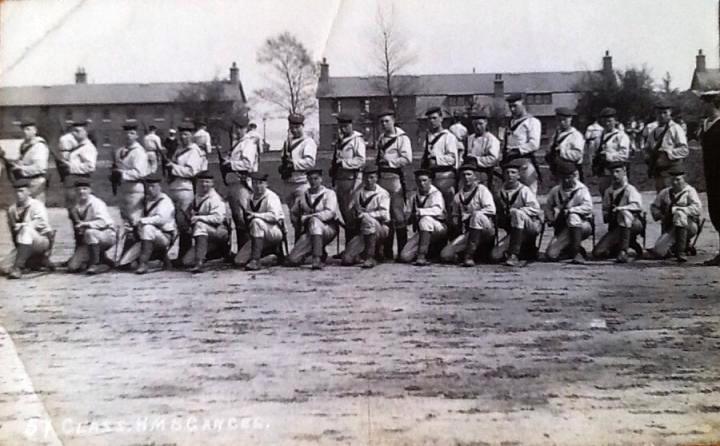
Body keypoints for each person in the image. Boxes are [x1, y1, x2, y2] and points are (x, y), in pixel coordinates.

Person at [116, 174, 176, 274]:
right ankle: (162, 257)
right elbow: (136, 214)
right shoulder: (144, 200)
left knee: (147, 228)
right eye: (147, 186)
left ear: (159, 187)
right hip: (145, 236)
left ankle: (143, 264)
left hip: (164, 236)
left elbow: (161, 219)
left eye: (153, 186)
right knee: (123, 262)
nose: (150, 189)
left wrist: (142, 221)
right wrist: (131, 220)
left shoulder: (165, 201)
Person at [440, 162, 496, 266]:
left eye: (469, 174)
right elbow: (455, 217)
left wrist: (471, 216)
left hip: (486, 228)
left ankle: (468, 256)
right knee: (445, 255)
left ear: (475, 176)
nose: (466, 177)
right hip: (469, 232)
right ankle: (463, 253)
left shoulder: (482, 190)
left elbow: (491, 209)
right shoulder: (458, 196)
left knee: (476, 216)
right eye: (464, 175)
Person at [490, 158, 543, 267]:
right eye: (507, 173)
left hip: (530, 225)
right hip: (514, 229)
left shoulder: (524, 190)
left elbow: (535, 208)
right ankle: (523, 249)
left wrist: (519, 211)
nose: (510, 175)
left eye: (513, 173)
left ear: (518, 176)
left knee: (517, 214)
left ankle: (514, 254)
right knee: (495, 255)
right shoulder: (500, 192)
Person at [164, 123, 205, 263]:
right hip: (175, 187)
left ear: (192, 135)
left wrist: (173, 167)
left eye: (186, 134)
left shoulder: (194, 151)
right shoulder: (179, 149)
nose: (183, 137)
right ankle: (182, 256)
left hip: (186, 188)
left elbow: (191, 171)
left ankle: (187, 256)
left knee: (185, 223)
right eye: (181, 134)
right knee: (178, 223)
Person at [375, 109, 412, 259]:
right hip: (382, 178)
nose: (384, 124)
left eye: (387, 121)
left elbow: (407, 158)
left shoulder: (402, 138)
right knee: (386, 214)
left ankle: (403, 249)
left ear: (393, 121)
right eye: (382, 122)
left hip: (395, 178)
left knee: (398, 214)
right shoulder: (381, 138)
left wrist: (390, 162)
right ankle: (387, 251)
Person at [286, 169, 340, 270]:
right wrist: (297, 223)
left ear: (321, 179)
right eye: (310, 179)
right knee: (293, 259)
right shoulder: (304, 195)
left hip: (327, 228)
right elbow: (294, 212)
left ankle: (317, 258)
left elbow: (330, 213)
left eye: (316, 179)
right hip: (310, 232)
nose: (313, 181)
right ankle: (316, 252)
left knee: (315, 222)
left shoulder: (329, 193)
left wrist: (310, 217)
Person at [0, 179, 54, 279]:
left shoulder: (37, 205)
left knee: (26, 230)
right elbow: (14, 233)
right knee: (3, 268)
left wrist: (23, 225)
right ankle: (35, 262)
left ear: (29, 191)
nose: (18, 194)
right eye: (16, 191)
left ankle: (18, 268)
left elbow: (41, 223)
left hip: (41, 241)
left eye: (21, 191)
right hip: (24, 245)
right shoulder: (12, 209)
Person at [592, 161, 644, 263]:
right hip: (616, 226)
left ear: (624, 172)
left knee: (624, 213)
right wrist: (609, 214)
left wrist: (622, 208)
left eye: (617, 172)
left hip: (633, 223)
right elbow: (605, 211)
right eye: (612, 172)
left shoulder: (630, 189)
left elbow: (638, 206)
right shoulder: (608, 191)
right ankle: (630, 247)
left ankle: (624, 251)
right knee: (598, 252)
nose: (615, 175)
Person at [341, 165, 391, 268]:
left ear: (377, 178)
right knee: (347, 260)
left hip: (380, 228)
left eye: (372, 177)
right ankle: (364, 253)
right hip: (363, 230)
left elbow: (384, 214)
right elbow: (352, 209)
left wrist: (367, 215)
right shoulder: (358, 193)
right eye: (366, 177)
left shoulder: (382, 193)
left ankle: (370, 257)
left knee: (368, 220)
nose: (369, 180)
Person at [180, 171, 231, 273]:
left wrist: (199, 218)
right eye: (201, 182)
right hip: (206, 235)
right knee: (187, 261)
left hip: (220, 231)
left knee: (200, 225)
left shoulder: (215, 198)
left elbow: (218, 219)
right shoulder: (197, 196)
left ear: (212, 184)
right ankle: (216, 253)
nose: (204, 184)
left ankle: (200, 262)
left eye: (207, 182)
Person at [544, 161, 594, 264]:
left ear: (574, 175)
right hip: (564, 227)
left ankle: (577, 254)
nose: (566, 180)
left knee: (573, 216)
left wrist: (572, 210)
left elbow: (588, 207)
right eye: (563, 177)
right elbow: (548, 207)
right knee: (551, 254)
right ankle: (572, 249)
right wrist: (551, 217)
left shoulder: (582, 190)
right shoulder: (556, 191)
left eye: (569, 177)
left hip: (582, 225)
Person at [649, 166, 702, 263]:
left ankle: (681, 252)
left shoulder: (690, 191)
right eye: (672, 180)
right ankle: (680, 246)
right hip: (671, 227)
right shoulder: (665, 192)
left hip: (688, 225)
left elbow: (697, 209)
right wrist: (660, 215)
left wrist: (680, 209)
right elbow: (654, 206)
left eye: (678, 180)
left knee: (679, 213)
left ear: (684, 178)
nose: (675, 182)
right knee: (659, 251)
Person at [224, 115, 261, 253]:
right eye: (236, 128)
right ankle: (241, 251)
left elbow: (247, 164)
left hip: (242, 183)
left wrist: (230, 164)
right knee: (237, 218)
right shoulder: (239, 143)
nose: (238, 131)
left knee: (242, 218)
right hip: (234, 183)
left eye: (241, 128)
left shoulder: (248, 143)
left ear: (246, 129)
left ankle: (246, 252)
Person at [234, 172, 285, 271]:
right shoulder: (251, 198)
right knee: (239, 261)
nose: (257, 186)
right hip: (258, 234)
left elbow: (274, 216)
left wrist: (255, 215)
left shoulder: (271, 196)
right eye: (255, 183)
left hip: (274, 231)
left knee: (256, 222)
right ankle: (269, 258)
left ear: (266, 184)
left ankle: (255, 260)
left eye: (260, 183)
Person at [330, 113, 366, 250]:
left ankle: (354, 249)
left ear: (351, 125)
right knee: (344, 215)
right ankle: (348, 248)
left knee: (352, 215)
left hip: (352, 179)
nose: (343, 129)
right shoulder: (340, 140)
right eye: (341, 126)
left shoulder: (357, 140)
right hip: (340, 179)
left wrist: (343, 163)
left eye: (345, 126)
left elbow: (361, 160)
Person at [66, 179, 117, 275]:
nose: (81, 192)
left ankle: (95, 264)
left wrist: (86, 224)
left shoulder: (97, 203)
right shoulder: (75, 205)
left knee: (90, 232)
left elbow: (103, 222)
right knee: (72, 267)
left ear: (90, 190)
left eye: (85, 189)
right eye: (79, 189)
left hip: (106, 234)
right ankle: (104, 261)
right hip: (89, 239)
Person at [398, 169, 448, 265]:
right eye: (419, 181)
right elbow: (408, 212)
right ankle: (424, 251)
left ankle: (422, 255)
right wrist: (407, 218)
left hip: (438, 228)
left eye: (425, 180)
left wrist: (420, 211)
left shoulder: (436, 194)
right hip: (422, 230)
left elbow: (438, 210)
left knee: (425, 220)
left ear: (430, 181)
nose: (422, 183)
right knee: (405, 256)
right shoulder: (414, 195)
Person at [0, 120, 49, 202]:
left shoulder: (39, 146)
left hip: (36, 182)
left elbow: (40, 167)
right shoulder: (24, 145)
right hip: (25, 182)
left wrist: (21, 168)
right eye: (23, 129)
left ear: (35, 131)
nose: (25, 132)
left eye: (28, 129)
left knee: (36, 209)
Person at [645, 101, 689, 192]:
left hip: (672, 170)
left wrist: (668, 153)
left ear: (670, 113)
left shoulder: (676, 128)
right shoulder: (653, 131)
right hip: (658, 169)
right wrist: (648, 156)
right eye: (659, 113)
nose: (662, 115)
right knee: (661, 196)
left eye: (665, 113)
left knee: (673, 196)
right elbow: (647, 148)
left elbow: (684, 150)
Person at [112, 123, 150, 225]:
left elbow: (139, 172)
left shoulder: (139, 152)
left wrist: (121, 174)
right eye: (126, 133)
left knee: (135, 218)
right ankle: (128, 240)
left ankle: (138, 240)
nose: (128, 135)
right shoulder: (119, 151)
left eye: (132, 133)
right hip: (122, 188)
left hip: (135, 189)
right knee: (125, 219)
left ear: (137, 136)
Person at [502, 94, 542, 193]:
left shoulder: (532, 122)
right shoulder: (510, 123)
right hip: (510, 163)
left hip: (525, 163)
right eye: (510, 106)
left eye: (515, 106)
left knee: (529, 193)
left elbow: (534, 144)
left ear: (523, 104)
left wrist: (517, 150)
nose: (512, 109)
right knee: (512, 194)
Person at [421, 106, 459, 206]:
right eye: (429, 119)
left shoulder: (448, 137)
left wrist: (436, 160)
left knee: (448, 205)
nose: (431, 121)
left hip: (445, 176)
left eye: (434, 118)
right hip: (431, 176)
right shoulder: (427, 138)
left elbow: (452, 159)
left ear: (441, 118)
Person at [279, 113, 317, 210]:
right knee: (293, 215)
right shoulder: (287, 142)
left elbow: (310, 162)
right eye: (292, 127)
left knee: (303, 212)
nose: (294, 130)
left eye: (297, 127)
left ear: (302, 126)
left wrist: (294, 164)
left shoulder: (308, 142)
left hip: (302, 182)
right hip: (288, 182)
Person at [699, 90, 720, 266]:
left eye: (706, 102)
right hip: (711, 174)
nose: (703, 106)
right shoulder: (706, 124)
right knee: (715, 211)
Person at [591, 107, 630, 195]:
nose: (607, 124)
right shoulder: (599, 137)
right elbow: (594, 153)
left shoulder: (621, 136)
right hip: (603, 171)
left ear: (615, 121)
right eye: (604, 121)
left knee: (619, 195)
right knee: (605, 195)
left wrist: (608, 156)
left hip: (617, 170)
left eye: (610, 121)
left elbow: (624, 155)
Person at [464, 110, 500, 190]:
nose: (478, 127)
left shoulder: (491, 139)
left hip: (484, 173)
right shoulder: (470, 138)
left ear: (486, 123)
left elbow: (493, 159)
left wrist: (476, 160)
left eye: (480, 124)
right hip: (469, 173)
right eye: (475, 124)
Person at [545, 108, 584, 179]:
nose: (562, 122)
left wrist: (561, 152)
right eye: (559, 120)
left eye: (564, 120)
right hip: (556, 169)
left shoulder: (575, 135)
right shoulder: (556, 134)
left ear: (570, 120)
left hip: (570, 171)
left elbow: (577, 155)